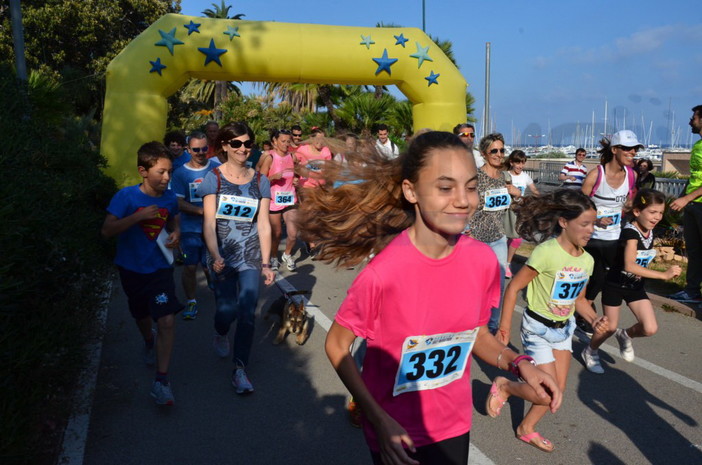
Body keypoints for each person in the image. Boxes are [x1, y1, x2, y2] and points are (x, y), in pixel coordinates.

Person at [298, 131, 561, 465]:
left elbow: (478, 334)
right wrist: (376, 418)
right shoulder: (383, 273)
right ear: (412, 191)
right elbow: (337, 346)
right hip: (397, 430)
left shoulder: (482, 261)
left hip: (453, 423)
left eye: (470, 186)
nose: (464, 200)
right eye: (445, 188)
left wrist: (521, 364)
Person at [494, 189, 607, 452]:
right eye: (584, 224)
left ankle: (526, 428)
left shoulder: (588, 261)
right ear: (564, 222)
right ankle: (506, 386)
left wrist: (593, 318)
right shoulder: (546, 252)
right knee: (544, 392)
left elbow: (578, 300)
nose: (591, 229)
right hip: (537, 328)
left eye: (593, 223)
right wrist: (504, 327)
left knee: (559, 389)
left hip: (563, 330)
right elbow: (513, 289)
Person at [101, 142, 182, 406]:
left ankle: (161, 381)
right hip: (131, 268)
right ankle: (148, 341)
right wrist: (138, 217)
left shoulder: (169, 197)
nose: (167, 178)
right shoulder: (126, 197)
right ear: (143, 171)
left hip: (160, 268)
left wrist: (176, 233)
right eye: (161, 172)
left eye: (169, 171)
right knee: (142, 316)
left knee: (166, 320)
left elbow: (174, 217)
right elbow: (107, 231)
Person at [198, 122, 276, 394]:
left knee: (247, 312)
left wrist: (266, 263)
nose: (243, 148)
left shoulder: (260, 180)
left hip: (250, 255)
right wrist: (214, 254)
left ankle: (240, 368)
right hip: (222, 256)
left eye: (247, 143)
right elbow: (209, 223)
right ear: (224, 146)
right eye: (236, 144)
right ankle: (220, 331)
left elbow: (264, 224)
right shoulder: (214, 178)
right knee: (226, 312)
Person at [582, 189, 681, 374]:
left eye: (660, 213)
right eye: (652, 212)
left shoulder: (650, 231)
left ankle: (625, 334)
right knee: (609, 327)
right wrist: (663, 275)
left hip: (635, 286)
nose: (657, 217)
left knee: (649, 328)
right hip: (615, 285)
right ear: (637, 212)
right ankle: (590, 351)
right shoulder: (630, 233)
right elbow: (629, 265)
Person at [578, 130, 640, 334]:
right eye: (627, 149)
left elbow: (630, 202)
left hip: (615, 237)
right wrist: (595, 218)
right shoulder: (596, 175)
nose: (632, 152)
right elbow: (577, 207)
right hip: (591, 238)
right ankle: (584, 312)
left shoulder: (632, 175)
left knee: (607, 278)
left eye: (635, 149)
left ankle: (584, 310)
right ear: (615, 150)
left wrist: (631, 211)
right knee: (594, 277)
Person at [467, 133, 521, 333]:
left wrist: (518, 195)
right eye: (494, 151)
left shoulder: (505, 178)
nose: (499, 154)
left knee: (498, 284)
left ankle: (492, 324)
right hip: (476, 239)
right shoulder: (475, 177)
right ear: (484, 154)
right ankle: (472, 321)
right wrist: (468, 232)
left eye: (501, 150)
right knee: (476, 285)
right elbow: (465, 206)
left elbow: (515, 205)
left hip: (498, 238)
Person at [170, 131, 221, 319]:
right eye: (196, 149)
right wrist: (202, 211)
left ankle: (214, 285)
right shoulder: (180, 173)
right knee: (190, 267)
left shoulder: (217, 169)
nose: (201, 152)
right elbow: (177, 202)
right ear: (188, 150)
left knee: (210, 265)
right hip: (190, 228)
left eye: (204, 148)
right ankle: (191, 301)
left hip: (214, 228)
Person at [668, 105, 702, 303]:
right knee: (694, 250)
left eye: (694, 117)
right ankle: (692, 291)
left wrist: (687, 199)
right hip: (692, 205)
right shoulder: (698, 145)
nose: (690, 121)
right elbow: (696, 177)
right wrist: (681, 197)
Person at [259, 128, 299, 271]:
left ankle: (287, 255)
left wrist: (296, 180)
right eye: (283, 141)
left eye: (288, 141)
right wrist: (272, 178)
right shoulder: (270, 158)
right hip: (274, 200)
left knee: (293, 234)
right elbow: (260, 181)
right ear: (275, 141)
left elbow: (297, 174)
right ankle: (274, 257)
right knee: (276, 233)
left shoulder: (293, 157)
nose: (286, 144)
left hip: (289, 198)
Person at [505, 149, 540, 278]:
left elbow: (534, 190)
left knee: (517, 239)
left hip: (519, 211)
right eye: (518, 162)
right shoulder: (505, 175)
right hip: (505, 211)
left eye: (522, 163)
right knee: (505, 238)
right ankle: (500, 261)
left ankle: (507, 264)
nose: (520, 166)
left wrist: (544, 200)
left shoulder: (525, 176)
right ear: (511, 162)